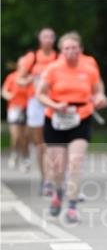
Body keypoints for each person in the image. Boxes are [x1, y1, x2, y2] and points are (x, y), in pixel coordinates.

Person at [36, 32, 107, 223]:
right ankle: (58, 194)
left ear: (80, 50)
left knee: (75, 162)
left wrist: (101, 97)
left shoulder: (89, 67)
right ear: (61, 51)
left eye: (74, 48)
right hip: (56, 117)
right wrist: (54, 105)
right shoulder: (53, 69)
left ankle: (72, 206)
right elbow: (40, 94)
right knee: (58, 167)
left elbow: (98, 89)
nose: (70, 52)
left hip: (81, 116)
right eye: (66, 48)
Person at [17, 27, 58, 192]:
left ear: (54, 40)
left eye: (50, 37)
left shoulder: (59, 57)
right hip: (35, 101)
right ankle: (45, 179)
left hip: (54, 101)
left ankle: (53, 177)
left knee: (54, 142)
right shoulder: (31, 58)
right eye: (44, 37)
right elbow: (19, 79)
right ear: (39, 40)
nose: (48, 39)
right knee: (41, 143)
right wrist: (29, 80)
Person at [2, 63, 30, 170]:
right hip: (14, 108)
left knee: (25, 138)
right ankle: (14, 154)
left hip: (27, 109)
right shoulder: (12, 77)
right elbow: (4, 91)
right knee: (16, 136)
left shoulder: (29, 79)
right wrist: (9, 96)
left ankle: (25, 158)